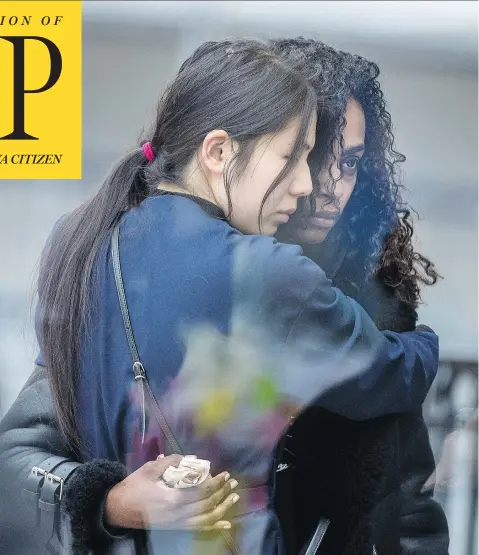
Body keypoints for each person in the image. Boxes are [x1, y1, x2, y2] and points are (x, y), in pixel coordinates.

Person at [0, 38, 439, 555]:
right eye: (302, 156)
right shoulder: (272, 273)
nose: (316, 185)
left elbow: (409, 514)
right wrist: (108, 502)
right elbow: (22, 458)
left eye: (349, 164)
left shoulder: (87, 238)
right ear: (219, 151)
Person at [269, 38, 449, 555]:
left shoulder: (378, 297)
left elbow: (410, 497)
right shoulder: (206, 273)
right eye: (313, 157)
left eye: (348, 164)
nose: (330, 186)